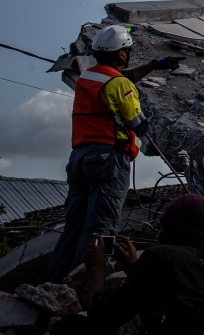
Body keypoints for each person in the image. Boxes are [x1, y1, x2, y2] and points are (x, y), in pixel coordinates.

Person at [47, 26, 183, 282]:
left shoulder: (90, 77)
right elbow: (139, 124)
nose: (128, 56)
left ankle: (55, 284)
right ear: (121, 54)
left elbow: (121, 78)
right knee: (101, 229)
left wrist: (153, 65)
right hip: (109, 159)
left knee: (74, 228)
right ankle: (84, 288)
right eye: (127, 51)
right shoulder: (119, 85)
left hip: (80, 158)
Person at [69, 193, 204, 335]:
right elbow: (167, 299)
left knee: (71, 325)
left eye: (162, 224)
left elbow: (100, 319)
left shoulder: (161, 256)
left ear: (171, 227)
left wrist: (96, 270)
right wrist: (135, 268)